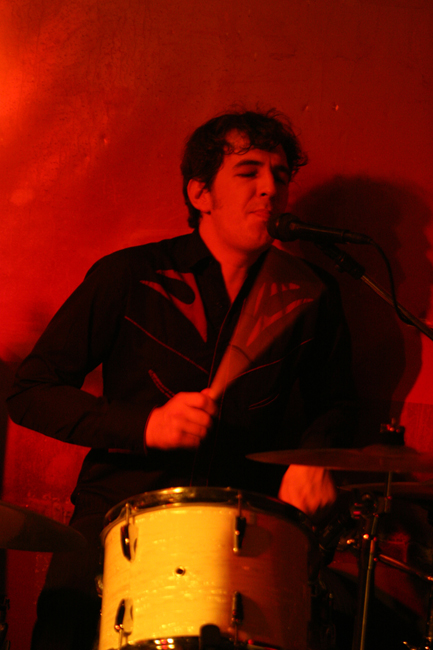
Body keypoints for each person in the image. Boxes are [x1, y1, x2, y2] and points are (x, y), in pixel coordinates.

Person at [7, 108, 356, 649]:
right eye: (249, 171)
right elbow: (29, 391)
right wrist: (145, 426)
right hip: (118, 518)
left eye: (281, 175)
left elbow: (337, 402)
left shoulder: (309, 294)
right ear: (200, 193)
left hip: (242, 533)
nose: (270, 188)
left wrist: (314, 457)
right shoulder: (130, 276)